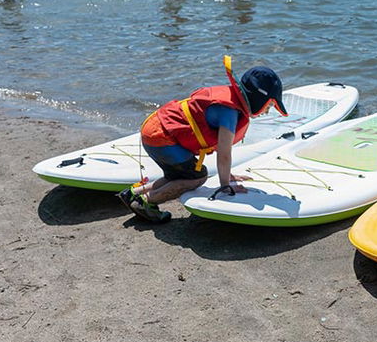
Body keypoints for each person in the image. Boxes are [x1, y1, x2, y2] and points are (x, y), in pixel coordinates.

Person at [116, 57, 288, 223]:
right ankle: (146, 201)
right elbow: (224, 154)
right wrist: (226, 185)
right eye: (269, 104)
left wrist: (228, 174)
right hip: (162, 138)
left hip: (154, 128)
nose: (267, 110)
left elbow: (222, 152)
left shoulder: (229, 98)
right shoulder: (229, 112)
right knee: (197, 177)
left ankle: (133, 193)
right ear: (258, 98)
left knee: (178, 175)